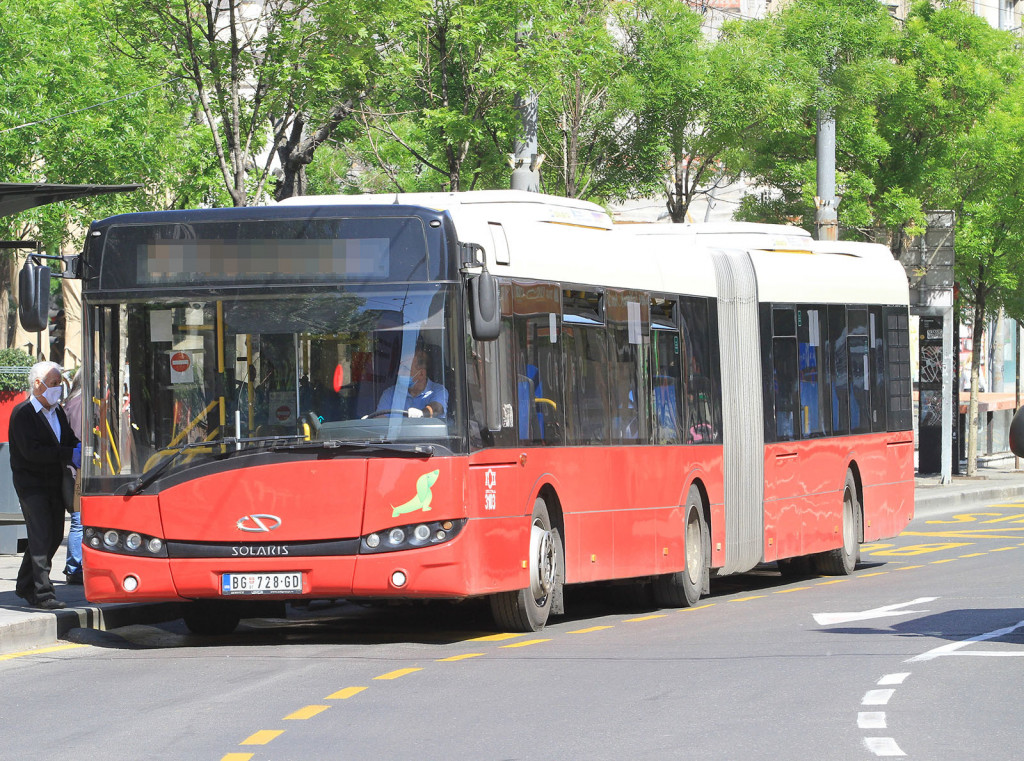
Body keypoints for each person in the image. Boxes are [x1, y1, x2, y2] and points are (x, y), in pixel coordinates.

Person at [9, 361, 81, 610]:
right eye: (54, 384)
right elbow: (31, 452)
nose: (58, 389)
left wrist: (77, 449)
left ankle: (24, 583)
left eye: (60, 384)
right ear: (37, 384)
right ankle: (43, 592)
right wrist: (67, 454)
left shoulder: (58, 412)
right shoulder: (23, 414)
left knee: (51, 537)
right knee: (40, 536)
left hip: (54, 482)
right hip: (31, 484)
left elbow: (69, 438)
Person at [375, 347, 448, 418]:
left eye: (405, 369)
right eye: (399, 368)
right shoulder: (391, 393)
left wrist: (422, 413)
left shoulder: (438, 391)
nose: (398, 373)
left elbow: (436, 409)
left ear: (421, 374)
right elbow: (379, 424)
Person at [62, 369, 84, 585]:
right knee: (79, 520)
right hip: (77, 471)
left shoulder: (71, 402)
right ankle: (74, 567)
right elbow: (78, 437)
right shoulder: (80, 404)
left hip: (73, 469)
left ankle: (75, 566)